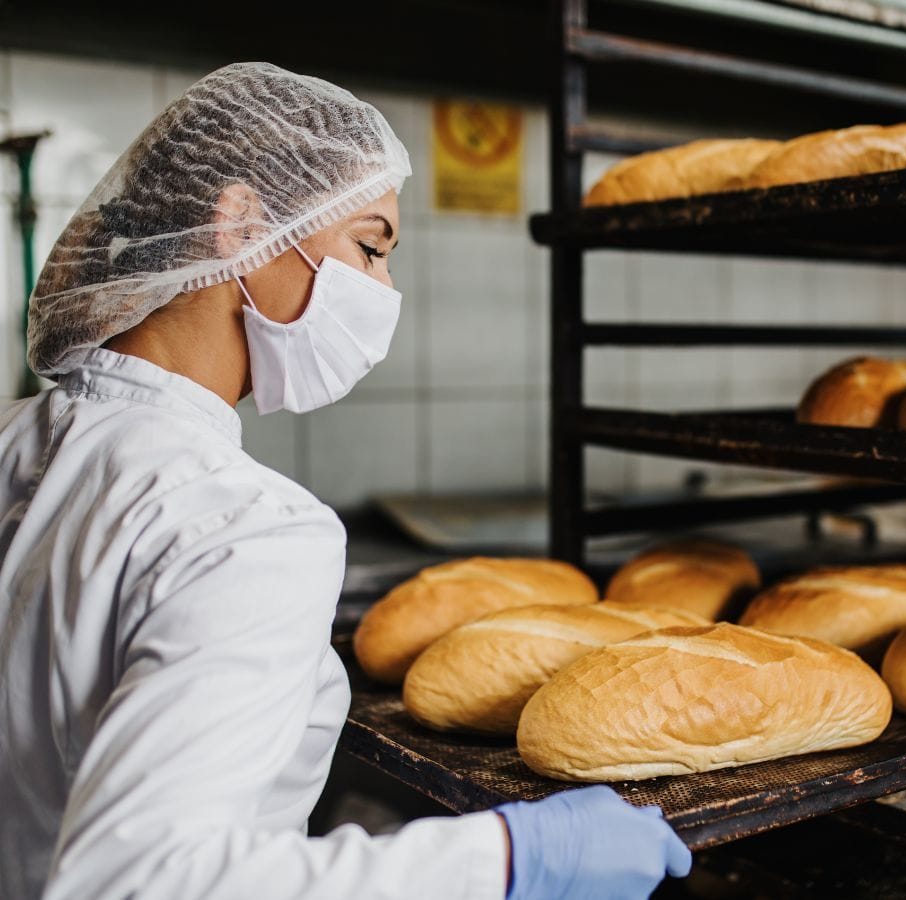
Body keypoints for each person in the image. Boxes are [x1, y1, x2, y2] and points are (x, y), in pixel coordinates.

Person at [0, 61, 691, 900]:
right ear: (239, 224)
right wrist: (507, 860)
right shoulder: (244, 529)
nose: (383, 291)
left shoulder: (15, 437)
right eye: (370, 247)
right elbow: (141, 883)